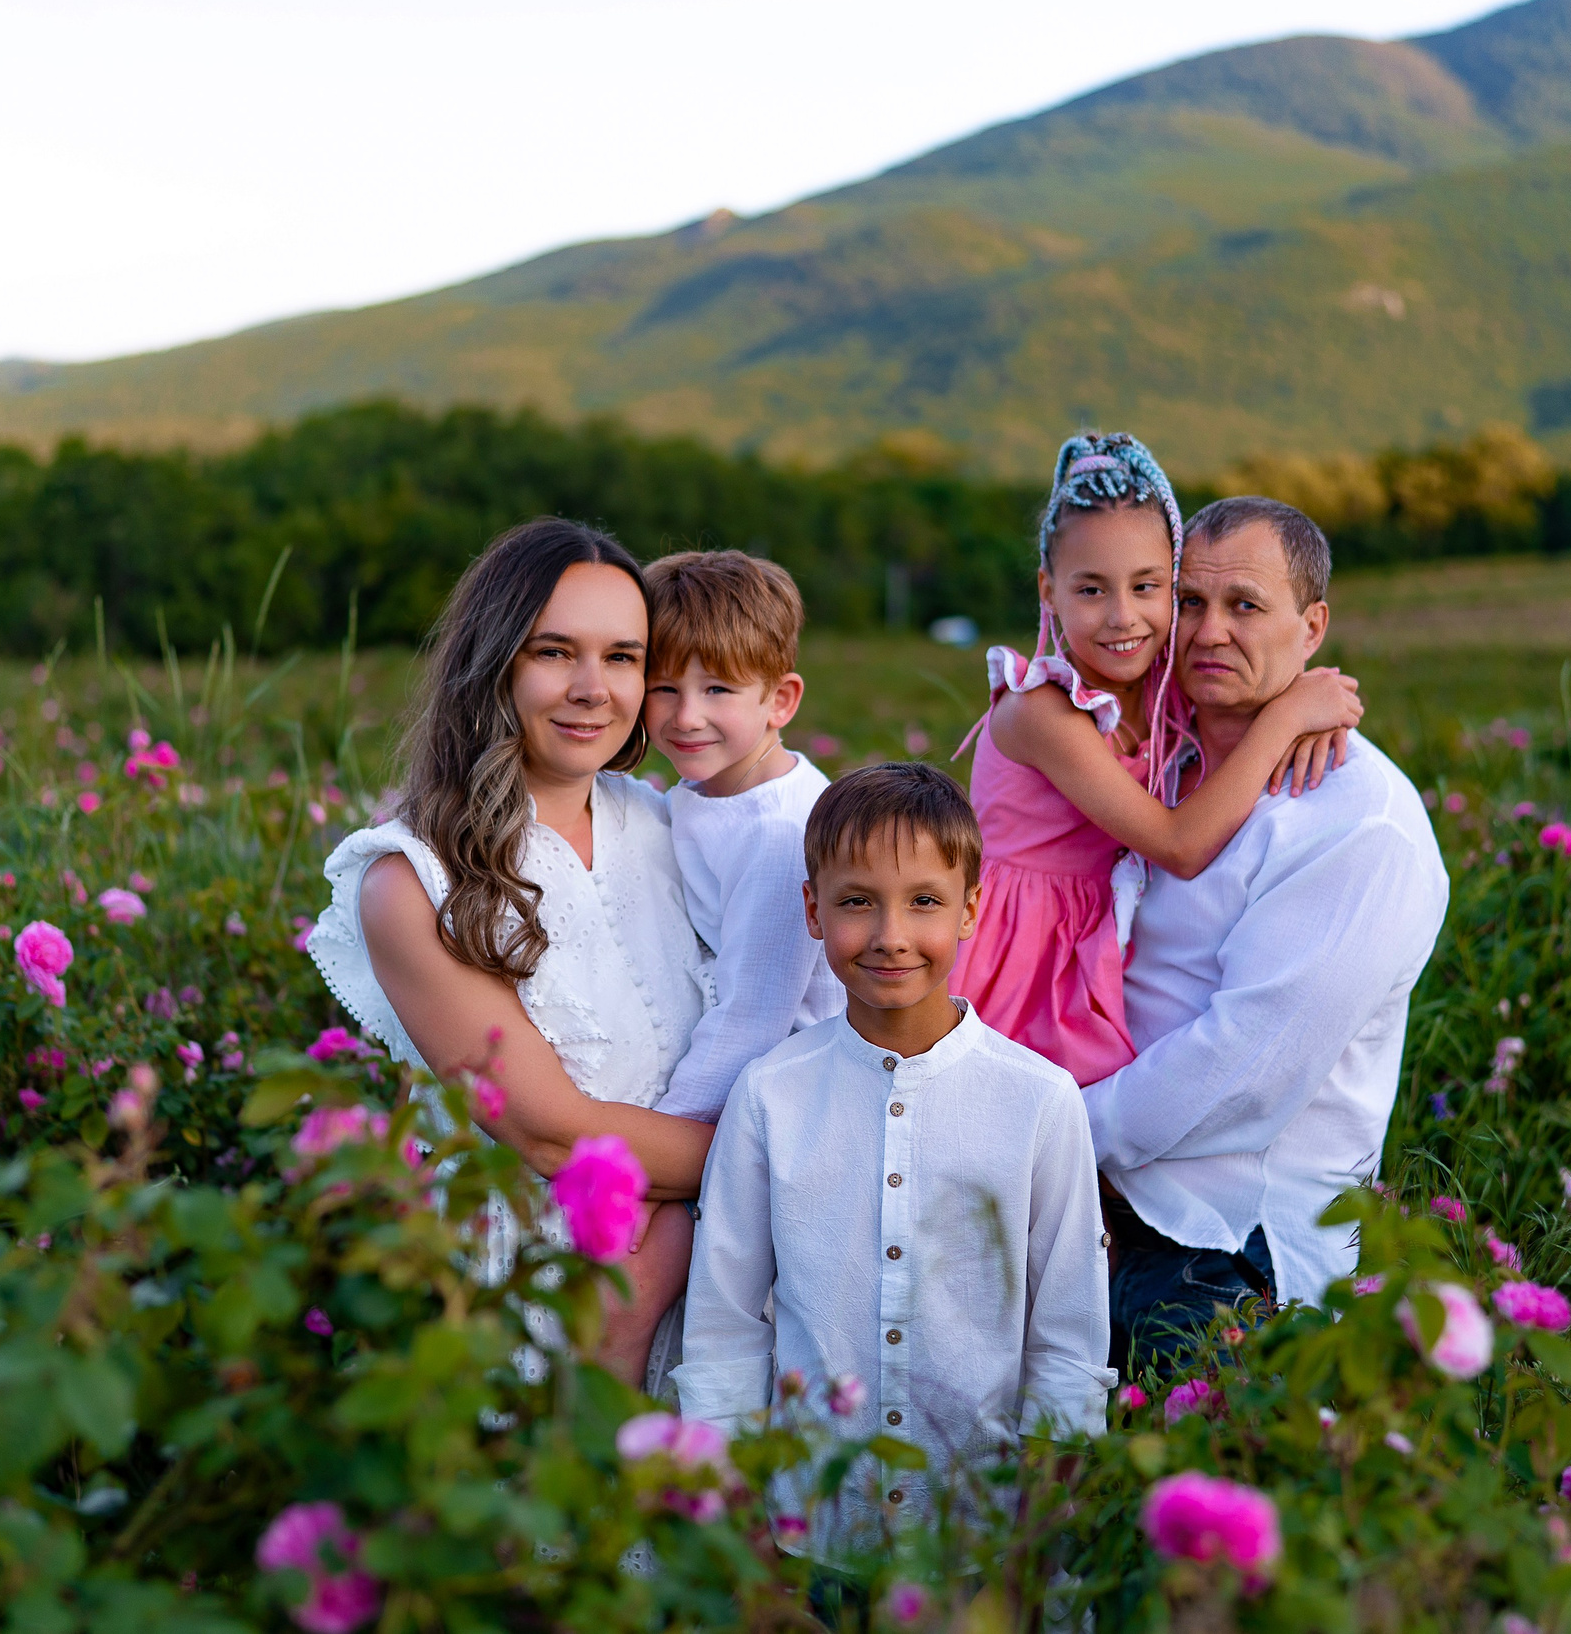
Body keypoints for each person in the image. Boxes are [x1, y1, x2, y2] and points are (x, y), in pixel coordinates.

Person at [306, 516, 716, 1385]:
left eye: (623, 657)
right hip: (538, 1311)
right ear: (493, 662)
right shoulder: (413, 878)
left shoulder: (676, 825)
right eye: (553, 651)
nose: (592, 688)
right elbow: (549, 1132)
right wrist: (802, 1149)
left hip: (714, 1303)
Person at [674, 763, 1113, 1552]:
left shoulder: (1041, 1100)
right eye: (856, 902)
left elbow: (1068, 1346)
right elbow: (724, 1330)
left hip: (981, 1541)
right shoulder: (768, 1095)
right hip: (810, 1538)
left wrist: (1039, 1543)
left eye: (924, 901)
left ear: (972, 906)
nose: (890, 936)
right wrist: (743, 1546)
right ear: (813, 909)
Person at [1085, 497, 1451, 1367]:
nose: (1210, 631)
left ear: (1312, 626)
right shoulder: (1157, 767)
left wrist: (1039, 1136)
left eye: (1245, 604)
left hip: (1221, 1247)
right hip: (1095, 1208)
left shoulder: (1360, 821)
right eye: (1190, 603)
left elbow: (1240, 1069)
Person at [951, 431, 1361, 1086]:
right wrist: (1288, 717)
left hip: (1091, 943)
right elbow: (1178, 844)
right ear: (1048, 589)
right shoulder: (1044, 711)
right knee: (1025, 1132)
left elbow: (1250, 685)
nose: (1123, 618)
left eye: (1147, 587)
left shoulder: (1155, 686)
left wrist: (1308, 702)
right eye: (1091, 590)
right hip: (1015, 957)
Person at [640, 550, 845, 1122]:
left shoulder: (780, 834)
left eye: (718, 690)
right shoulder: (712, 790)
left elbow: (751, 1020)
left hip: (790, 1098)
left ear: (779, 701)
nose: (685, 717)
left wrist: (659, 1140)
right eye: (663, 688)